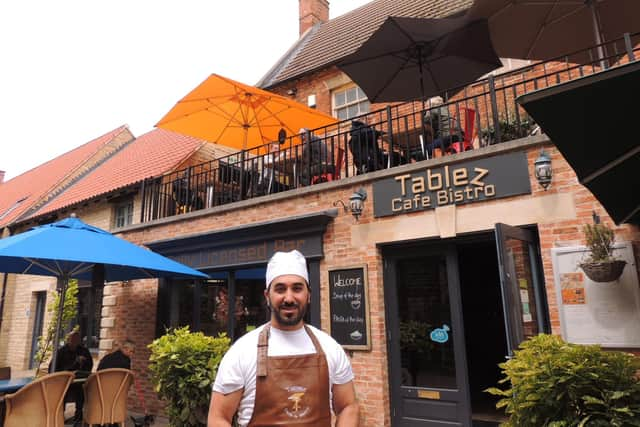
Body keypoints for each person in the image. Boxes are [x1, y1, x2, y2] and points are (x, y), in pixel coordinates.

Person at [208, 250, 359, 426]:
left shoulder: (330, 348)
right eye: (280, 289)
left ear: (308, 295)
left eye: (297, 288)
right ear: (267, 296)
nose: (289, 298)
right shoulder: (241, 352)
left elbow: (349, 406)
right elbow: (218, 418)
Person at [51, 330, 93, 426]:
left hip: (78, 381)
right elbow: (54, 369)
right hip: (63, 382)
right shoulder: (61, 352)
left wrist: (83, 364)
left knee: (82, 390)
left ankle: (78, 417)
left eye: (77, 339)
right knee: (63, 392)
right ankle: (60, 416)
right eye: (73, 339)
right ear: (68, 340)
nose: (75, 342)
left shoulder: (83, 351)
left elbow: (89, 365)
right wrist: (75, 363)